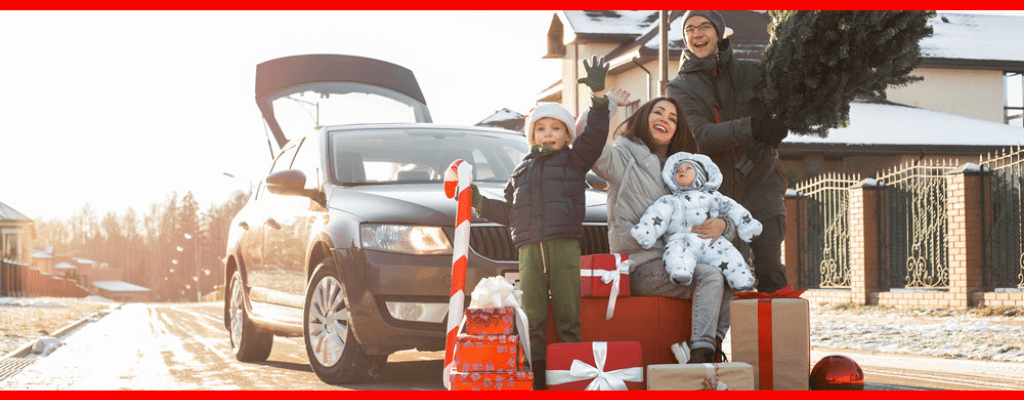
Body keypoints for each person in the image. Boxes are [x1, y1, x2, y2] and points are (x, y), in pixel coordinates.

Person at [465, 55, 611, 389]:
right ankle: (539, 374)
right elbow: (508, 212)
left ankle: (570, 375)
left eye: (556, 128)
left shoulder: (573, 161)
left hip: (563, 246)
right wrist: (477, 202)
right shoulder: (520, 172)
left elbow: (595, 136)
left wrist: (599, 98)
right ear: (531, 135)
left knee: (566, 313)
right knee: (532, 313)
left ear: (566, 135)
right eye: (541, 128)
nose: (548, 134)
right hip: (529, 249)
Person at [590, 96, 735, 364]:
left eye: (672, 118)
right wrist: (605, 103)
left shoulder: (684, 170)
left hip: (681, 260)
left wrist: (724, 225)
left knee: (731, 275)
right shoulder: (624, 157)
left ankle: (710, 346)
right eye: (658, 113)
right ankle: (701, 356)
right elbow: (588, 147)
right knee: (710, 276)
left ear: (677, 130)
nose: (664, 120)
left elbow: (718, 211)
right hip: (640, 265)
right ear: (644, 117)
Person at [666, 10, 790, 293]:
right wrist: (752, 126)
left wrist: (781, 121)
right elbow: (701, 137)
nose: (697, 34)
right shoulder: (680, 88)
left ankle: (777, 336)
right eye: (690, 29)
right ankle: (720, 338)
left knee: (772, 272)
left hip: (763, 191)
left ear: (719, 33)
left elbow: (786, 98)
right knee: (731, 280)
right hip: (720, 201)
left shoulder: (754, 73)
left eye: (704, 26)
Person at [631, 151, 761, 291]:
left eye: (688, 168)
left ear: (700, 175)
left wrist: (747, 224)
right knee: (676, 252)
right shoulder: (670, 200)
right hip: (682, 239)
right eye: (678, 170)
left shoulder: (713, 197)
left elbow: (734, 209)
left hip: (711, 240)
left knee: (728, 254)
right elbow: (656, 215)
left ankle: (740, 278)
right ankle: (681, 271)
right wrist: (646, 231)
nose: (682, 170)